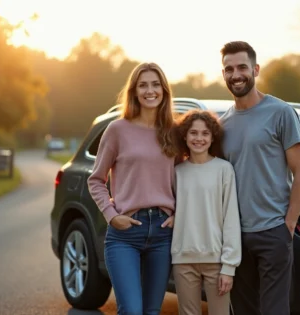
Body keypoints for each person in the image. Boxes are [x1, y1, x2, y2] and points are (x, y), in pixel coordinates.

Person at [219, 41, 300, 315]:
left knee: (274, 310)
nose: (236, 74)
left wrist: (289, 224)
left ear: (255, 69)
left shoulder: (280, 112)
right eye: (229, 69)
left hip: (273, 231)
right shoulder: (221, 125)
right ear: (223, 74)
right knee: (244, 310)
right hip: (235, 235)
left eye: (242, 67)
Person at [87, 62, 178, 315]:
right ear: (135, 92)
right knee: (131, 311)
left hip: (163, 233)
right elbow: (95, 179)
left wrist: (178, 214)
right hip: (125, 234)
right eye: (143, 85)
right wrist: (111, 215)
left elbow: (186, 179)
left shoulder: (173, 132)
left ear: (164, 90)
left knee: (151, 311)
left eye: (155, 84)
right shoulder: (117, 130)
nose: (150, 90)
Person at [171, 110, 241, 315]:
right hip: (183, 260)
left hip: (217, 261)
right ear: (185, 136)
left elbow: (231, 219)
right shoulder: (177, 172)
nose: (199, 138)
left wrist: (229, 267)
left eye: (205, 133)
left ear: (213, 137)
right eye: (193, 133)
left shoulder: (224, 170)